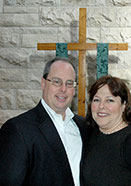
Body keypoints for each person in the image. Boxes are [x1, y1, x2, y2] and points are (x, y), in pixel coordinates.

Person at [0, 57, 88, 186]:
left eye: (69, 83)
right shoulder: (18, 129)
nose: (63, 89)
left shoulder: (84, 127)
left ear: (74, 89)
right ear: (43, 83)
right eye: (56, 82)